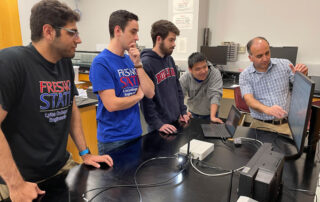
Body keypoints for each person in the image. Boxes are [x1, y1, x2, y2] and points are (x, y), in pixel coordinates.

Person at [0, 0, 114, 201]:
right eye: (73, 32)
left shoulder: (64, 63)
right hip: (19, 181)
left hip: (60, 168)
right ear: (49, 32)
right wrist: (16, 185)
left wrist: (85, 153)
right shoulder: (11, 62)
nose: (78, 40)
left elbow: (71, 108)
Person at [89, 10, 154, 155]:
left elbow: (150, 92)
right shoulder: (101, 62)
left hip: (136, 133)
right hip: (113, 140)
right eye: (133, 32)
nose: (137, 37)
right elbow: (111, 104)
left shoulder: (130, 60)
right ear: (118, 30)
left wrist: (138, 64)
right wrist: (137, 97)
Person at [239, 36, 308, 135]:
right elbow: (249, 100)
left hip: (286, 125)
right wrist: (267, 109)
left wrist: (303, 74)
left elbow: (300, 88)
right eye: (259, 56)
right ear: (250, 58)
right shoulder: (245, 75)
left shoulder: (285, 64)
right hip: (260, 125)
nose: (265, 58)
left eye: (267, 53)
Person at [140, 20, 191, 135]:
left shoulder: (169, 59)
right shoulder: (146, 64)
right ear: (159, 39)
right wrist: (158, 124)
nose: (174, 44)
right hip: (160, 127)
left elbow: (177, 88)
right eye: (171, 40)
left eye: (174, 40)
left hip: (176, 120)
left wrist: (183, 111)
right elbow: (146, 101)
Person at [179, 52, 223, 123]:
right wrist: (183, 112)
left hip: (211, 114)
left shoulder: (215, 73)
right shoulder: (186, 77)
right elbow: (179, 96)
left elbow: (215, 95)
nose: (203, 71)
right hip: (193, 114)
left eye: (205, 67)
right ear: (190, 69)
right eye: (198, 69)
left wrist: (213, 117)